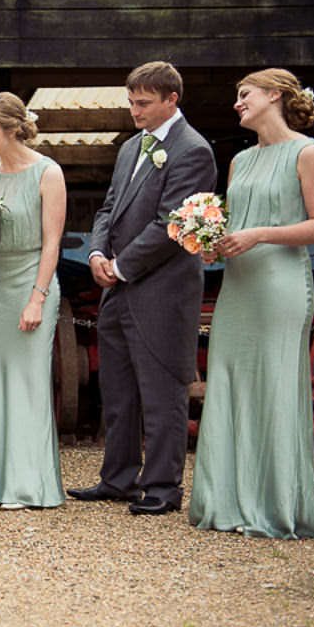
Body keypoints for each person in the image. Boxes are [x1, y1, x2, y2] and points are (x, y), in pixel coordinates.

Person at [189, 69, 314, 540]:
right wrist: (213, 245)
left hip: (281, 284)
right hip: (238, 285)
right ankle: (226, 502)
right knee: (229, 381)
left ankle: (273, 505)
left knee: (273, 384)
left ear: (275, 95)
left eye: (244, 94)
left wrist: (258, 234)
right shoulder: (240, 160)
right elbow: (237, 223)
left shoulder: (308, 153)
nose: (237, 103)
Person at [68, 61, 218, 516]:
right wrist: (96, 253)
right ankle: (117, 479)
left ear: (172, 99)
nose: (134, 111)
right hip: (117, 290)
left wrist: (120, 266)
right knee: (118, 391)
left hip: (163, 292)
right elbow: (108, 208)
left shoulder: (193, 150)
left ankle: (163, 487)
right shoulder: (132, 147)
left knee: (162, 392)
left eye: (144, 103)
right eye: (131, 102)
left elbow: (172, 223)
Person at [0, 93, 66, 510]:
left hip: (30, 280)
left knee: (29, 381)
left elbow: (52, 242)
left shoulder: (48, 173)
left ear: (11, 129)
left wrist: (37, 298)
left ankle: (29, 485)